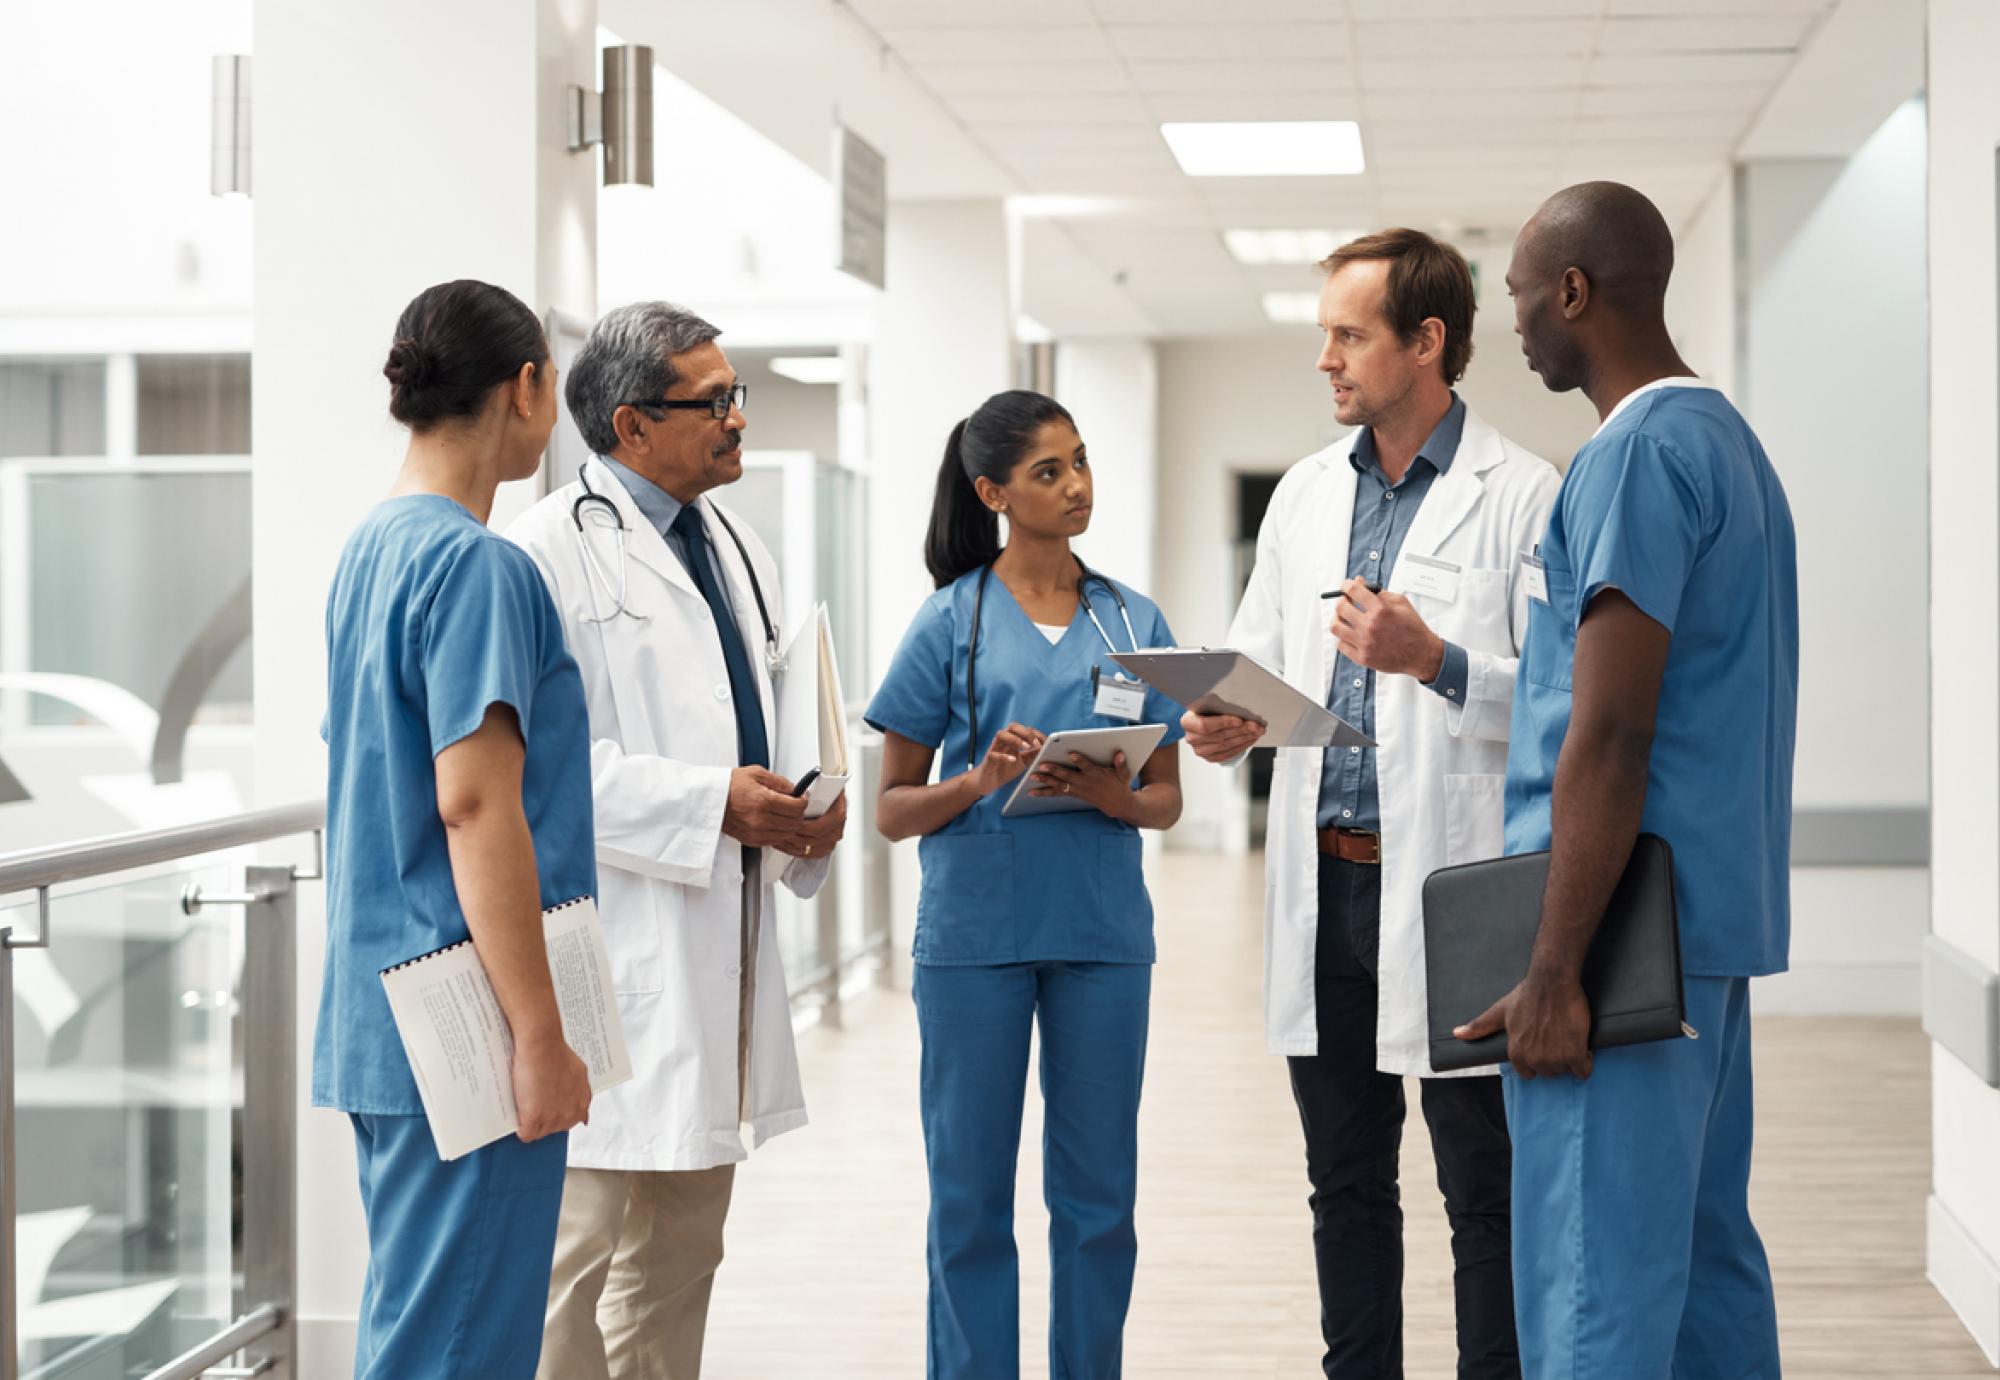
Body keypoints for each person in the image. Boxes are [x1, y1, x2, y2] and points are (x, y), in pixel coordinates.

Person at [1181, 229, 1557, 1379]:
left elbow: (1559, 700)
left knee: (1478, 1188)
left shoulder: (1522, 493)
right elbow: (1259, 656)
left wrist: (1434, 656)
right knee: (1343, 1181)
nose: (1325, 360)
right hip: (1326, 881)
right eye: (1324, 335)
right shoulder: (1303, 496)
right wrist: (1223, 719)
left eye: (1347, 335)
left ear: (1425, 342)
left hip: (1455, 892)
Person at [1454, 181, 1798, 1377]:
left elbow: (1605, 733)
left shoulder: (1635, 455)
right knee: (1697, 1277)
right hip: (1700, 932)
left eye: (1516, 297)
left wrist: (1550, 971)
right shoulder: (1728, 446)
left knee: (1595, 1288)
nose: (1512, 325)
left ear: (1573, 291)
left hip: (1617, 950)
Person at [505, 301, 846, 1380]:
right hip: (608, 949)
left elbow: (765, 712)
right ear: (630, 425)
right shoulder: (543, 553)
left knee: (684, 1250)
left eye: (735, 395)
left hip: (717, 944)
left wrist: (805, 810)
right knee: (576, 1257)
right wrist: (711, 804)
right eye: (715, 402)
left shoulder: (737, 543)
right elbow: (537, 774)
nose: (738, 420)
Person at [864, 390, 1184, 1380]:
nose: (1076, 485)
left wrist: (1109, 792)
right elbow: (890, 810)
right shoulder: (946, 624)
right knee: (967, 1196)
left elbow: (1166, 797)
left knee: (1099, 1200)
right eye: (1049, 472)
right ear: (993, 491)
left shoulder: (1132, 618)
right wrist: (979, 781)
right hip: (971, 943)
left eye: (1080, 462)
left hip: (1100, 938)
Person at [315, 278, 596, 1379]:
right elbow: (475, 806)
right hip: (465, 1022)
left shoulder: (372, 549)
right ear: (524, 388)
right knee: (461, 1350)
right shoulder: (477, 566)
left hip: (382, 1014)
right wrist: (537, 1035)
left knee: (418, 1332)